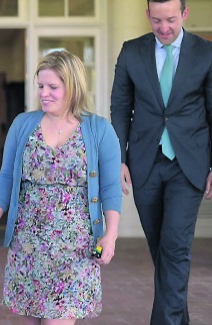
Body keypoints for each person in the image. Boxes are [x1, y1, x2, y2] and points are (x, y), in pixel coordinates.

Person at [0, 50, 122, 325]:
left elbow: (110, 188)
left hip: (77, 246)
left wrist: (111, 235)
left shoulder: (99, 129)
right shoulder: (23, 124)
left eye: (53, 87)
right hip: (29, 244)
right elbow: (7, 177)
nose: (44, 93)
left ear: (73, 87)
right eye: (41, 86)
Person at [110, 1, 212, 324]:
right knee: (162, 252)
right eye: (157, 20)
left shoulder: (206, 53)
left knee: (175, 249)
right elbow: (120, 107)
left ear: (185, 14)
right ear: (147, 16)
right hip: (145, 164)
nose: (164, 28)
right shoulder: (131, 52)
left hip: (189, 165)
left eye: (170, 20)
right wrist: (119, 158)